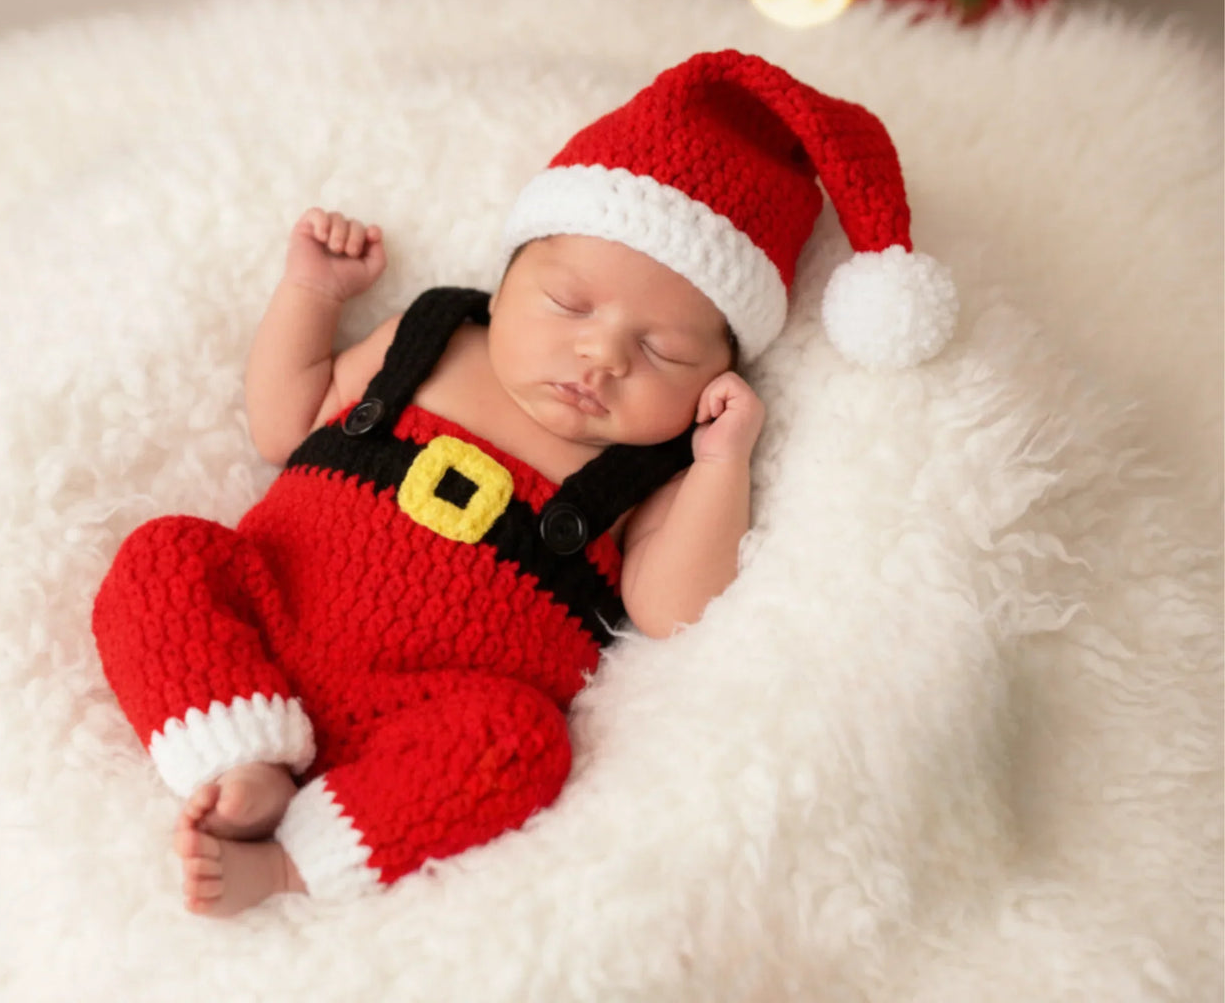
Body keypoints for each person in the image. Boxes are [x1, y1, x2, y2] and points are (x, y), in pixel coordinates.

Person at [91, 49, 957, 917]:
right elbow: (288, 422)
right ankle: (238, 755)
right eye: (570, 306)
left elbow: (671, 607)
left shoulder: (659, 463)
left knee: (522, 747)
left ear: (714, 374)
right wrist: (310, 294)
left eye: (665, 351)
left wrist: (723, 464)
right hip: (271, 611)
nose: (604, 355)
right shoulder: (427, 337)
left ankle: (289, 865)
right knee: (163, 557)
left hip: (433, 712)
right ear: (502, 287)